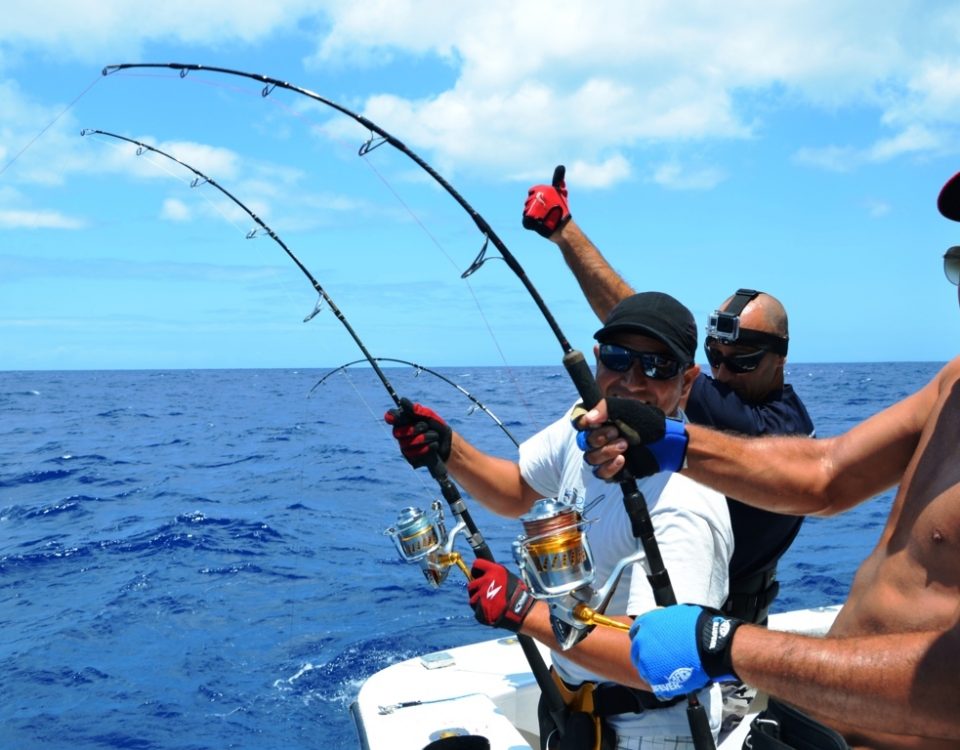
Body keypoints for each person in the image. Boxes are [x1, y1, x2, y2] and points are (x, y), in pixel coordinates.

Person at [572, 173, 960, 748]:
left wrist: (727, 646)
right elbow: (825, 477)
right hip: (813, 720)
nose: (722, 374)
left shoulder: (767, 416)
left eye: (741, 360)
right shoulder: (954, 383)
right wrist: (674, 446)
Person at [386, 292, 734, 749]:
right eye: (617, 358)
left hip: (652, 731)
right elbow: (516, 490)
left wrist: (523, 612)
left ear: (688, 382)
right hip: (572, 712)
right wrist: (449, 448)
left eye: (657, 366)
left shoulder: (689, 499)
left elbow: (668, 663)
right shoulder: (587, 430)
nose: (631, 380)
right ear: (596, 361)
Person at [522, 173, 815, 624]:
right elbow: (645, 336)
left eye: (741, 362)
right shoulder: (745, 402)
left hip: (721, 629)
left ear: (781, 358)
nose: (721, 373)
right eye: (714, 357)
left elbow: (636, 324)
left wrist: (567, 233)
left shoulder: (769, 425)